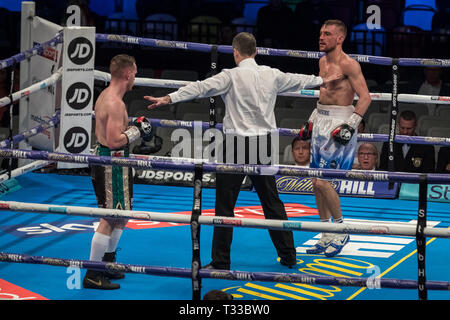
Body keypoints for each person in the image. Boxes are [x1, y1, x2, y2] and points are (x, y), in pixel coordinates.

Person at [144, 32, 341, 269]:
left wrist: (168, 98)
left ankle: (221, 262)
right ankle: (289, 256)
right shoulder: (272, 74)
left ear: (235, 52)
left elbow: (199, 87)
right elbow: (302, 80)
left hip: (235, 144)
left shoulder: (230, 76)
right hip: (263, 144)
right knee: (271, 202)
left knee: (224, 205)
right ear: (255, 51)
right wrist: (327, 78)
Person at [298, 19, 371, 257]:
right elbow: (323, 95)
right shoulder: (322, 61)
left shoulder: (349, 65)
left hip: (340, 123)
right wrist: (310, 120)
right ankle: (326, 233)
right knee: (314, 182)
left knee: (323, 181)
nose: (321, 37)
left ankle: (340, 228)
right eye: (320, 33)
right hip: (320, 120)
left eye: (327, 34)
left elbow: (366, 98)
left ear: (340, 38)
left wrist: (350, 126)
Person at [83, 54, 154, 289]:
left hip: (116, 162)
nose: (135, 76)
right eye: (134, 72)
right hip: (111, 162)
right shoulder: (114, 102)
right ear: (127, 73)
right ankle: (93, 273)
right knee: (110, 216)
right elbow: (114, 141)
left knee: (121, 216)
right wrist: (137, 131)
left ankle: (107, 263)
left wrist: (133, 128)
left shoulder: (110, 97)